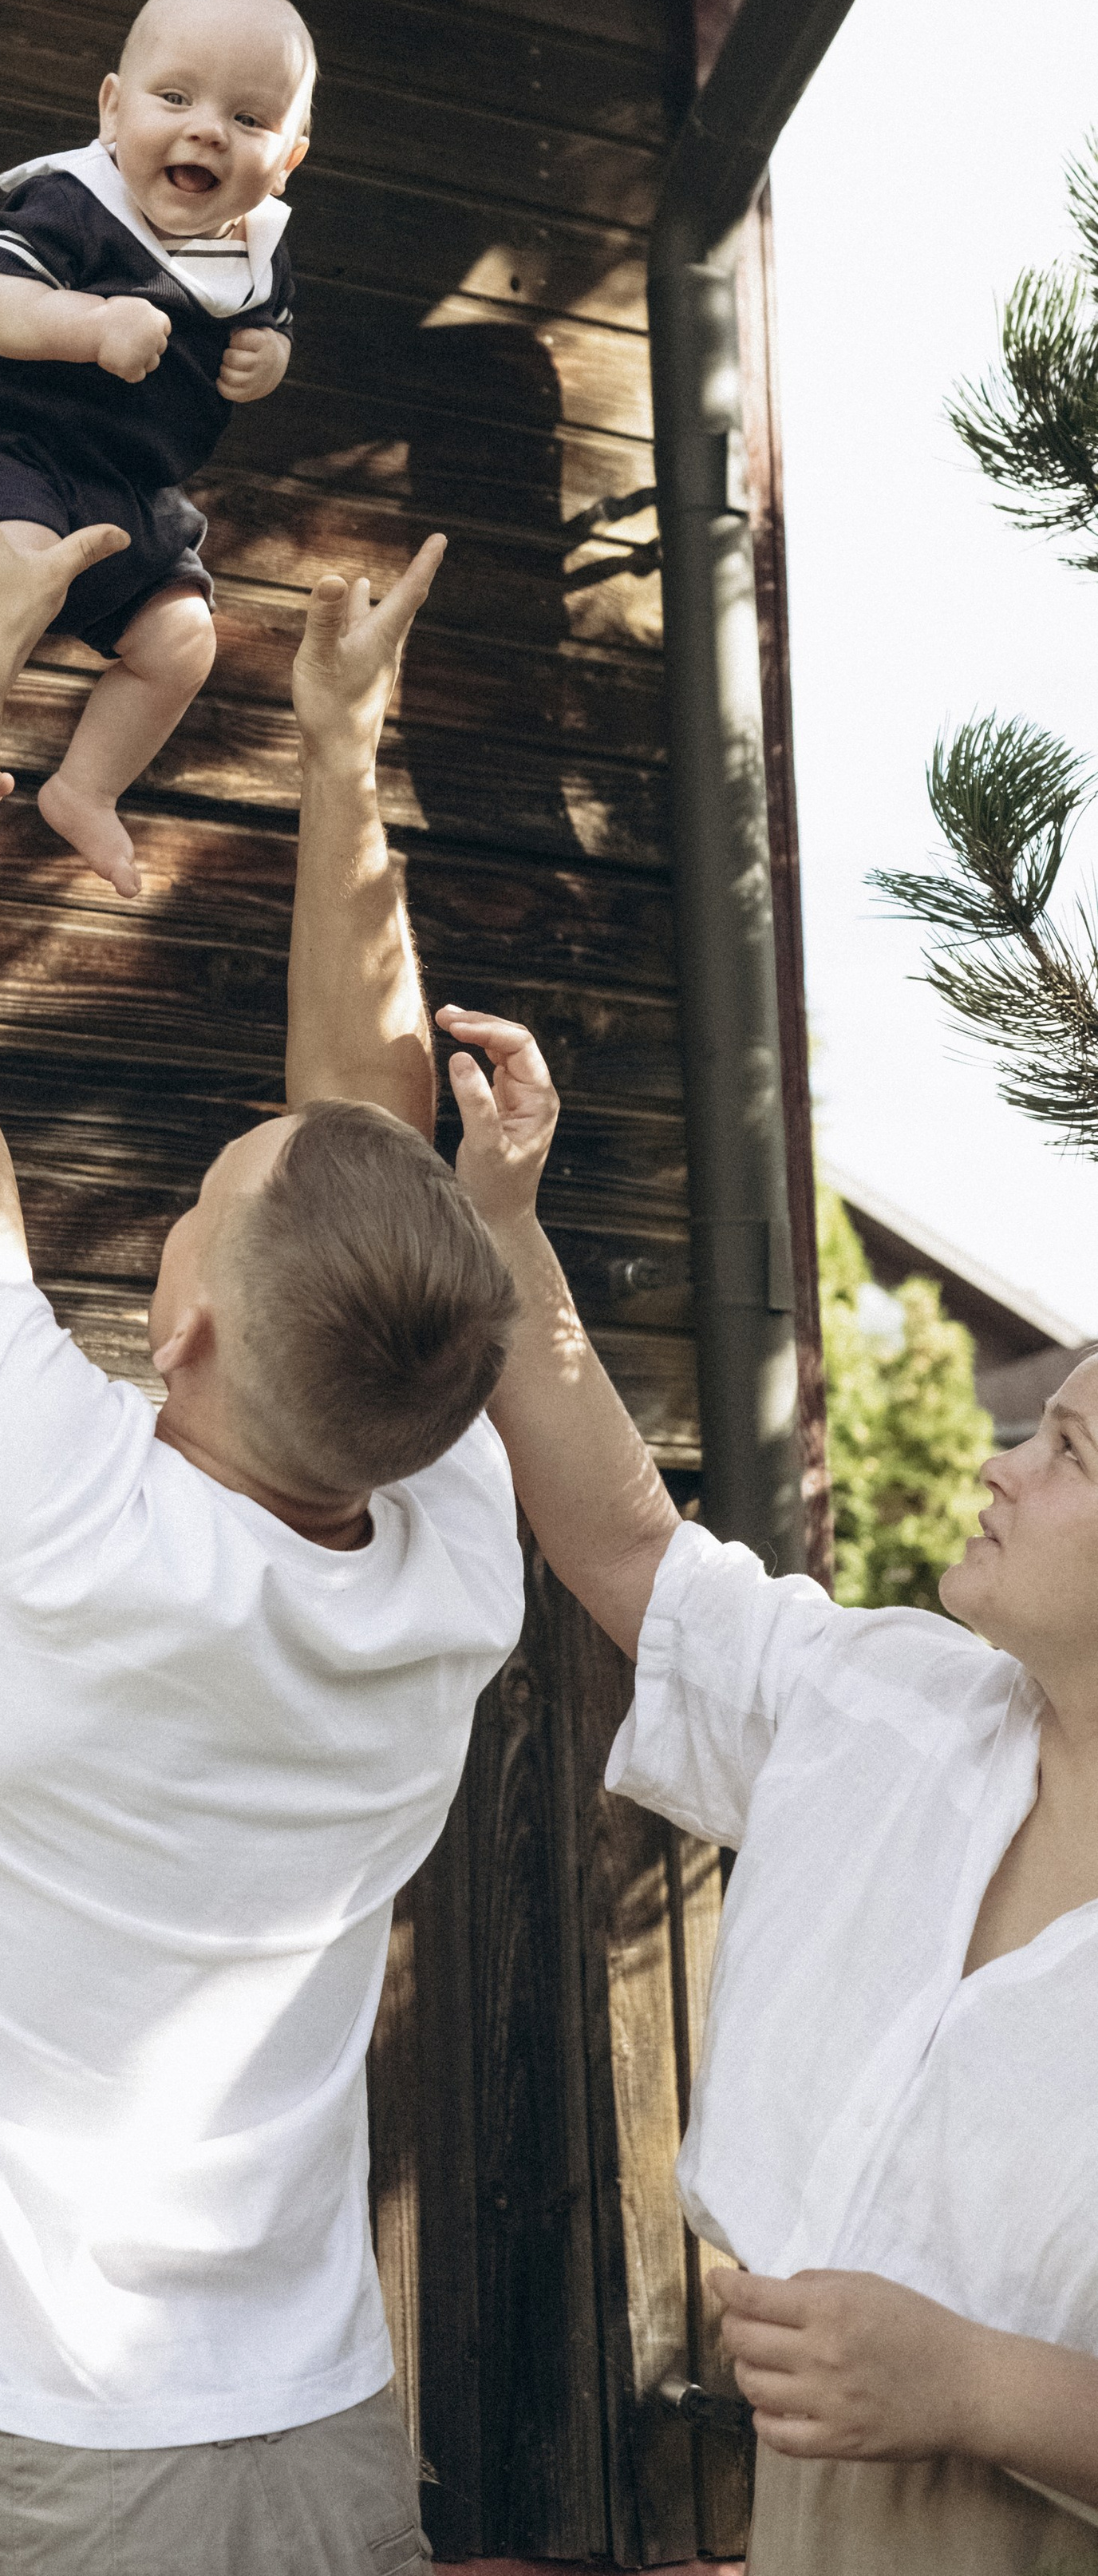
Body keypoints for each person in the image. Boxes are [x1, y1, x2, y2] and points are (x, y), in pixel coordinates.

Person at [0, 394, 517, 2574]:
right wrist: (344, 757)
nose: (190, 1209)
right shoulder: (443, 1547)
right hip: (321, 2447)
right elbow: (362, 1155)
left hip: (33, 2474)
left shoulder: (51, 1513)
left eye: (196, 1202)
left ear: (181, 1327)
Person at [434, 1000, 1098, 2576]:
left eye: (1066, 1450)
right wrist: (501, 1222)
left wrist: (974, 2386)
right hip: (803, 2516)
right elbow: (625, 1548)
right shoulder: (885, 1705)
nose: (999, 1462)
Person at [0, 0, 311, 900]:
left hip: (137, 492)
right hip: (19, 453)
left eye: (250, 119)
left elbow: (272, 324)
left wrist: (268, 362)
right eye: (175, 97)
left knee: (183, 644)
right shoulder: (73, 205)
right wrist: (90, 325)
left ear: (289, 158)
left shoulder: (255, 252)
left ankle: (86, 788)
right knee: (9, 588)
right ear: (112, 109)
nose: (207, 129)